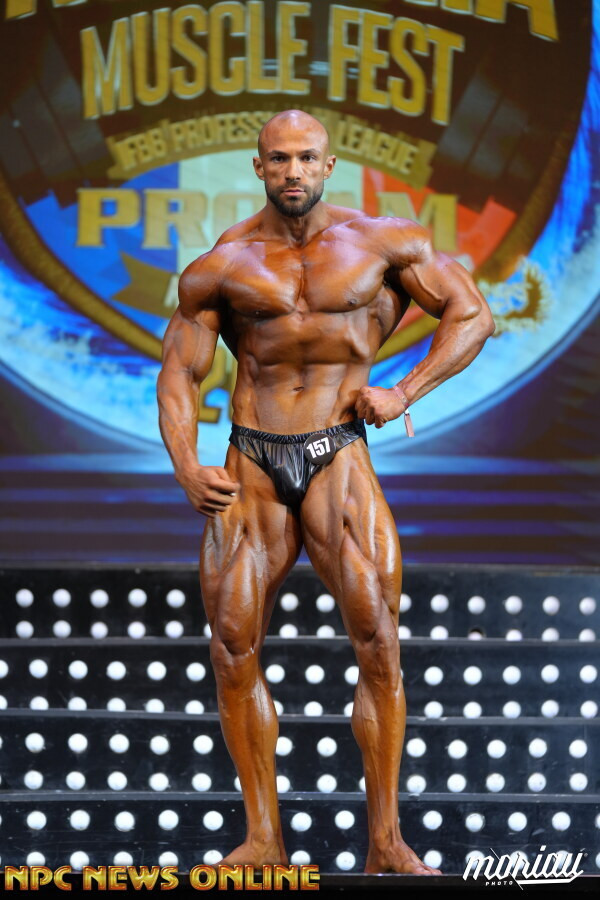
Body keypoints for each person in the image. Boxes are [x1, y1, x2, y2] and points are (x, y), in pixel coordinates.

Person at [157, 109, 495, 875]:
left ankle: (386, 843)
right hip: (252, 460)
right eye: (279, 159)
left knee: (379, 640)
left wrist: (405, 390)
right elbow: (179, 371)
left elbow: (472, 314)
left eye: (306, 158)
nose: (293, 172)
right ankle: (263, 842)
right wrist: (184, 464)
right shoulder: (222, 264)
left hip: (337, 452)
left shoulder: (383, 243)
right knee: (232, 646)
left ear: (329, 164)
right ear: (258, 167)